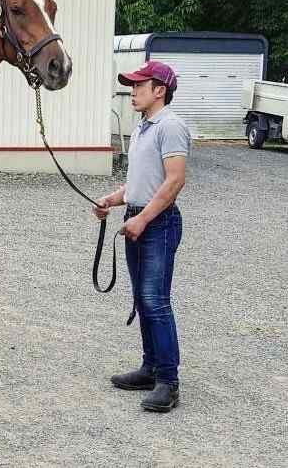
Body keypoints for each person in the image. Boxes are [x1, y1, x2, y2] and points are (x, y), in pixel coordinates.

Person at [93, 60, 191, 413]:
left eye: (139, 85)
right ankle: (150, 369)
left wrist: (144, 219)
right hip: (140, 219)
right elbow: (139, 183)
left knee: (155, 300)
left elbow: (174, 180)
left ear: (159, 90)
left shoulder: (171, 126)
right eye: (132, 86)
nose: (132, 91)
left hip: (158, 223)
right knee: (143, 299)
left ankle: (168, 381)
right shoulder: (143, 128)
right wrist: (111, 199)